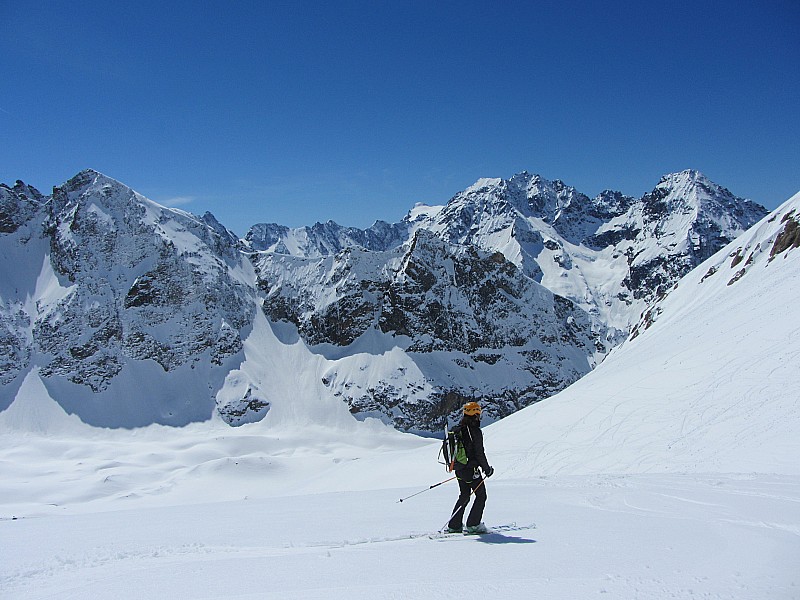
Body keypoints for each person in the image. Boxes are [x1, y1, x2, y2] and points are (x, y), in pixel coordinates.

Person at [447, 401, 494, 534]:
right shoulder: (474, 431)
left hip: (459, 468)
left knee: (464, 495)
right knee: (481, 495)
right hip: (471, 470)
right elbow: (479, 453)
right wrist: (487, 469)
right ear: (476, 413)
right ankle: (473, 525)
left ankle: (454, 525)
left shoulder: (458, 429)